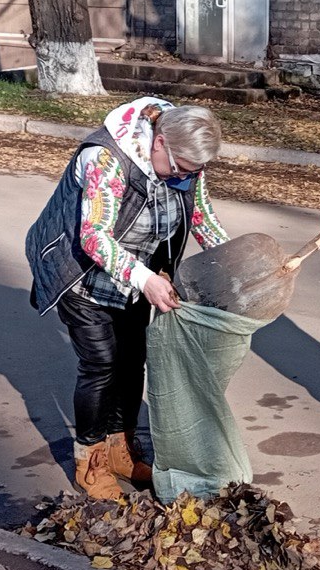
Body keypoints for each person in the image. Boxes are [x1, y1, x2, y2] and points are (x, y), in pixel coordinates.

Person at [25, 97, 230, 500]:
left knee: (133, 358)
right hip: (79, 272)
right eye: (181, 171)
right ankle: (90, 459)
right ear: (159, 144)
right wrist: (147, 279)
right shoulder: (107, 159)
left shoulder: (184, 158)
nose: (185, 181)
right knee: (101, 363)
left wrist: (233, 265)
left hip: (138, 275)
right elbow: (94, 237)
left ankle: (120, 449)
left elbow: (201, 216)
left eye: (194, 174)